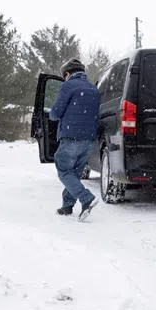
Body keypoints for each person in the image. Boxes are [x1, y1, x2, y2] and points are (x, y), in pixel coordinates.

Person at [49, 59, 101, 220]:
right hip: (89, 138)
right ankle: (67, 206)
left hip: (71, 136)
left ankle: (86, 198)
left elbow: (56, 113)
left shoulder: (68, 86)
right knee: (74, 173)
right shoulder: (93, 88)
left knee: (64, 170)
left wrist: (50, 114)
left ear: (67, 73)